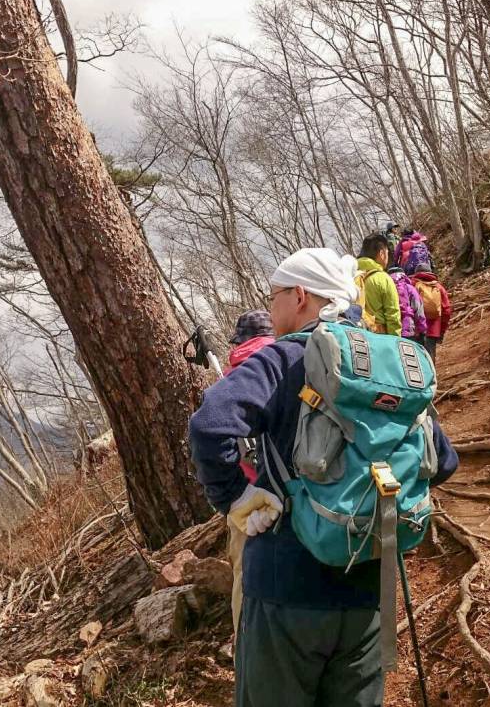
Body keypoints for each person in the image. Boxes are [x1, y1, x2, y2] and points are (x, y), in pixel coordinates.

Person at [189, 248, 456, 707]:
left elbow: (211, 423)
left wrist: (236, 497)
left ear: (299, 296)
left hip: (285, 587)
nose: (271, 310)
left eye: (273, 296)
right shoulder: (391, 363)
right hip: (368, 588)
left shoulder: (285, 359)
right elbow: (444, 461)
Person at [223, 309, 275, 633]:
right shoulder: (295, 360)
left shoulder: (232, 375)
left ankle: (245, 645)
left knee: (244, 573)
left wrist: (229, 493)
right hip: (294, 487)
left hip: (248, 490)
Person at [356, 233, 402, 335]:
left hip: (358, 337)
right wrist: (395, 341)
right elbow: (393, 315)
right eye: (386, 252)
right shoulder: (383, 278)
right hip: (380, 336)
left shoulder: (351, 275)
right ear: (381, 253)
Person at [410, 261, 452, 361]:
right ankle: (432, 376)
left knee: (417, 361)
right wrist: (441, 331)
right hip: (433, 330)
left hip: (416, 330)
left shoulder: (412, 285)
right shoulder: (439, 287)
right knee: (430, 360)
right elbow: (446, 311)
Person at [387, 265, 426, 343]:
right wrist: (422, 330)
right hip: (408, 328)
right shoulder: (409, 288)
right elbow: (418, 310)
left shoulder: (386, 287)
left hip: (389, 330)